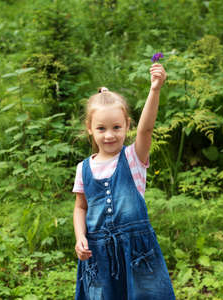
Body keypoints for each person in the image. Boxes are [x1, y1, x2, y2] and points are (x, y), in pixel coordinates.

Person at [72, 63, 176, 299]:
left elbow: (146, 130)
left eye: (117, 127)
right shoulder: (83, 169)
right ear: (90, 129)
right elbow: (80, 207)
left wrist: (155, 90)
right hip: (98, 254)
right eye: (101, 128)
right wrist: (80, 237)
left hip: (136, 252)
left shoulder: (133, 159)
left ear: (127, 126)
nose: (109, 135)